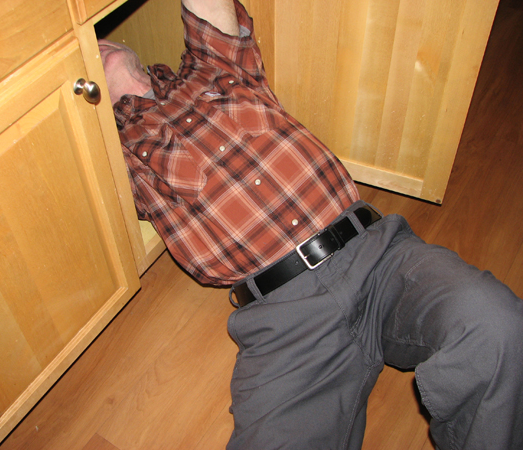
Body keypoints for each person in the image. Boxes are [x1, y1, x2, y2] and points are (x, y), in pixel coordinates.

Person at [98, 0, 523, 448]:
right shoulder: (115, 156)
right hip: (287, 321)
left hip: (379, 256)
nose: (97, 48)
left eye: (99, 40)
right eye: (85, 57)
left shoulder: (211, 69)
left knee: (496, 326)